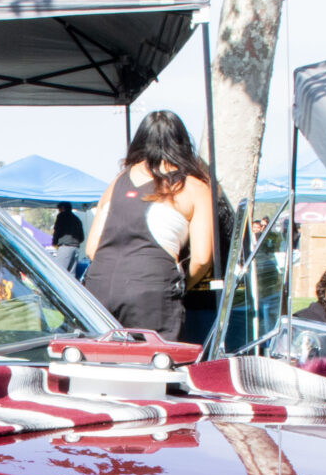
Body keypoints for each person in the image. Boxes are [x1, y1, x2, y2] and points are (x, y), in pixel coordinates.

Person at [82, 111, 215, 338]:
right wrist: (179, 285)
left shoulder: (118, 181)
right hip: (152, 291)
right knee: (152, 366)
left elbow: (92, 248)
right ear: (182, 143)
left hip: (98, 288)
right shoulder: (194, 187)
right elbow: (202, 259)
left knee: (99, 365)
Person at [50, 202, 85, 273]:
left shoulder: (61, 216)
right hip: (76, 248)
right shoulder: (77, 219)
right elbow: (82, 237)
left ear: (62, 208)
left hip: (65, 247)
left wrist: (54, 242)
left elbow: (57, 230)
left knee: (60, 272)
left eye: (59, 209)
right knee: (71, 275)